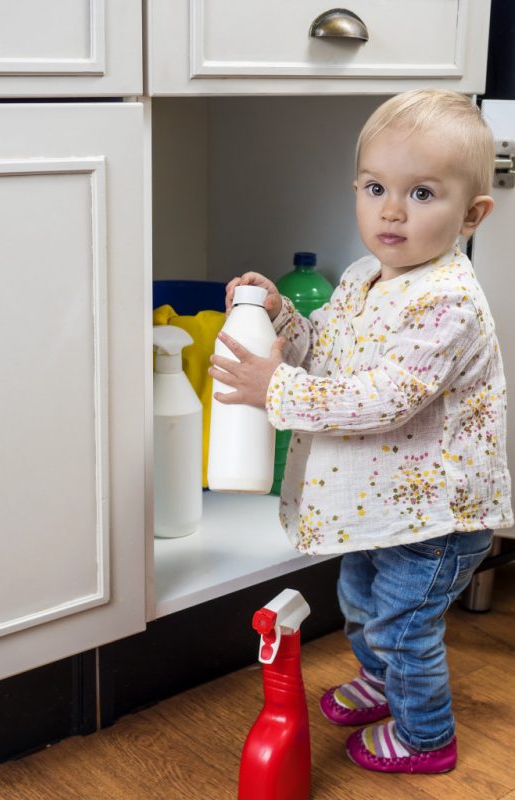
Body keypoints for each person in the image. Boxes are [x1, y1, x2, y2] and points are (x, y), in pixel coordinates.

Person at [208, 89, 513, 774]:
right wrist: (283, 320)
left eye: (423, 193)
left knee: (404, 627)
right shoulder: (361, 276)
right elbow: (327, 355)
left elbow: (384, 400)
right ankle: (384, 683)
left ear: (472, 215)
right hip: (382, 508)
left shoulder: (448, 301)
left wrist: (274, 390)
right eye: (376, 187)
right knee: (361, 602)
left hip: (436, 515)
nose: (393, 210)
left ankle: (425, 737)